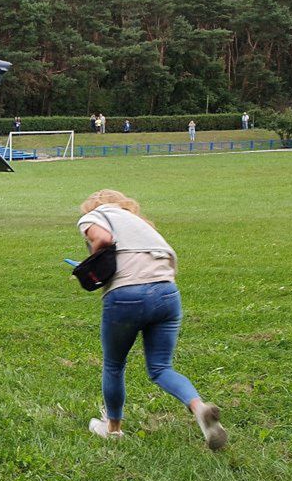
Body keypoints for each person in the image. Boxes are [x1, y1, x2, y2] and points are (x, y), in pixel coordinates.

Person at [78, 189, 228, 450]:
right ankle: (199, 408)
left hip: (126, 296)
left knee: (114, 365)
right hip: (167, 293)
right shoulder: (141, 225)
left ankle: (112, 430)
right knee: (160, 368)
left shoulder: (95, 216)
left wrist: (92, 259)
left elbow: (102, 238)